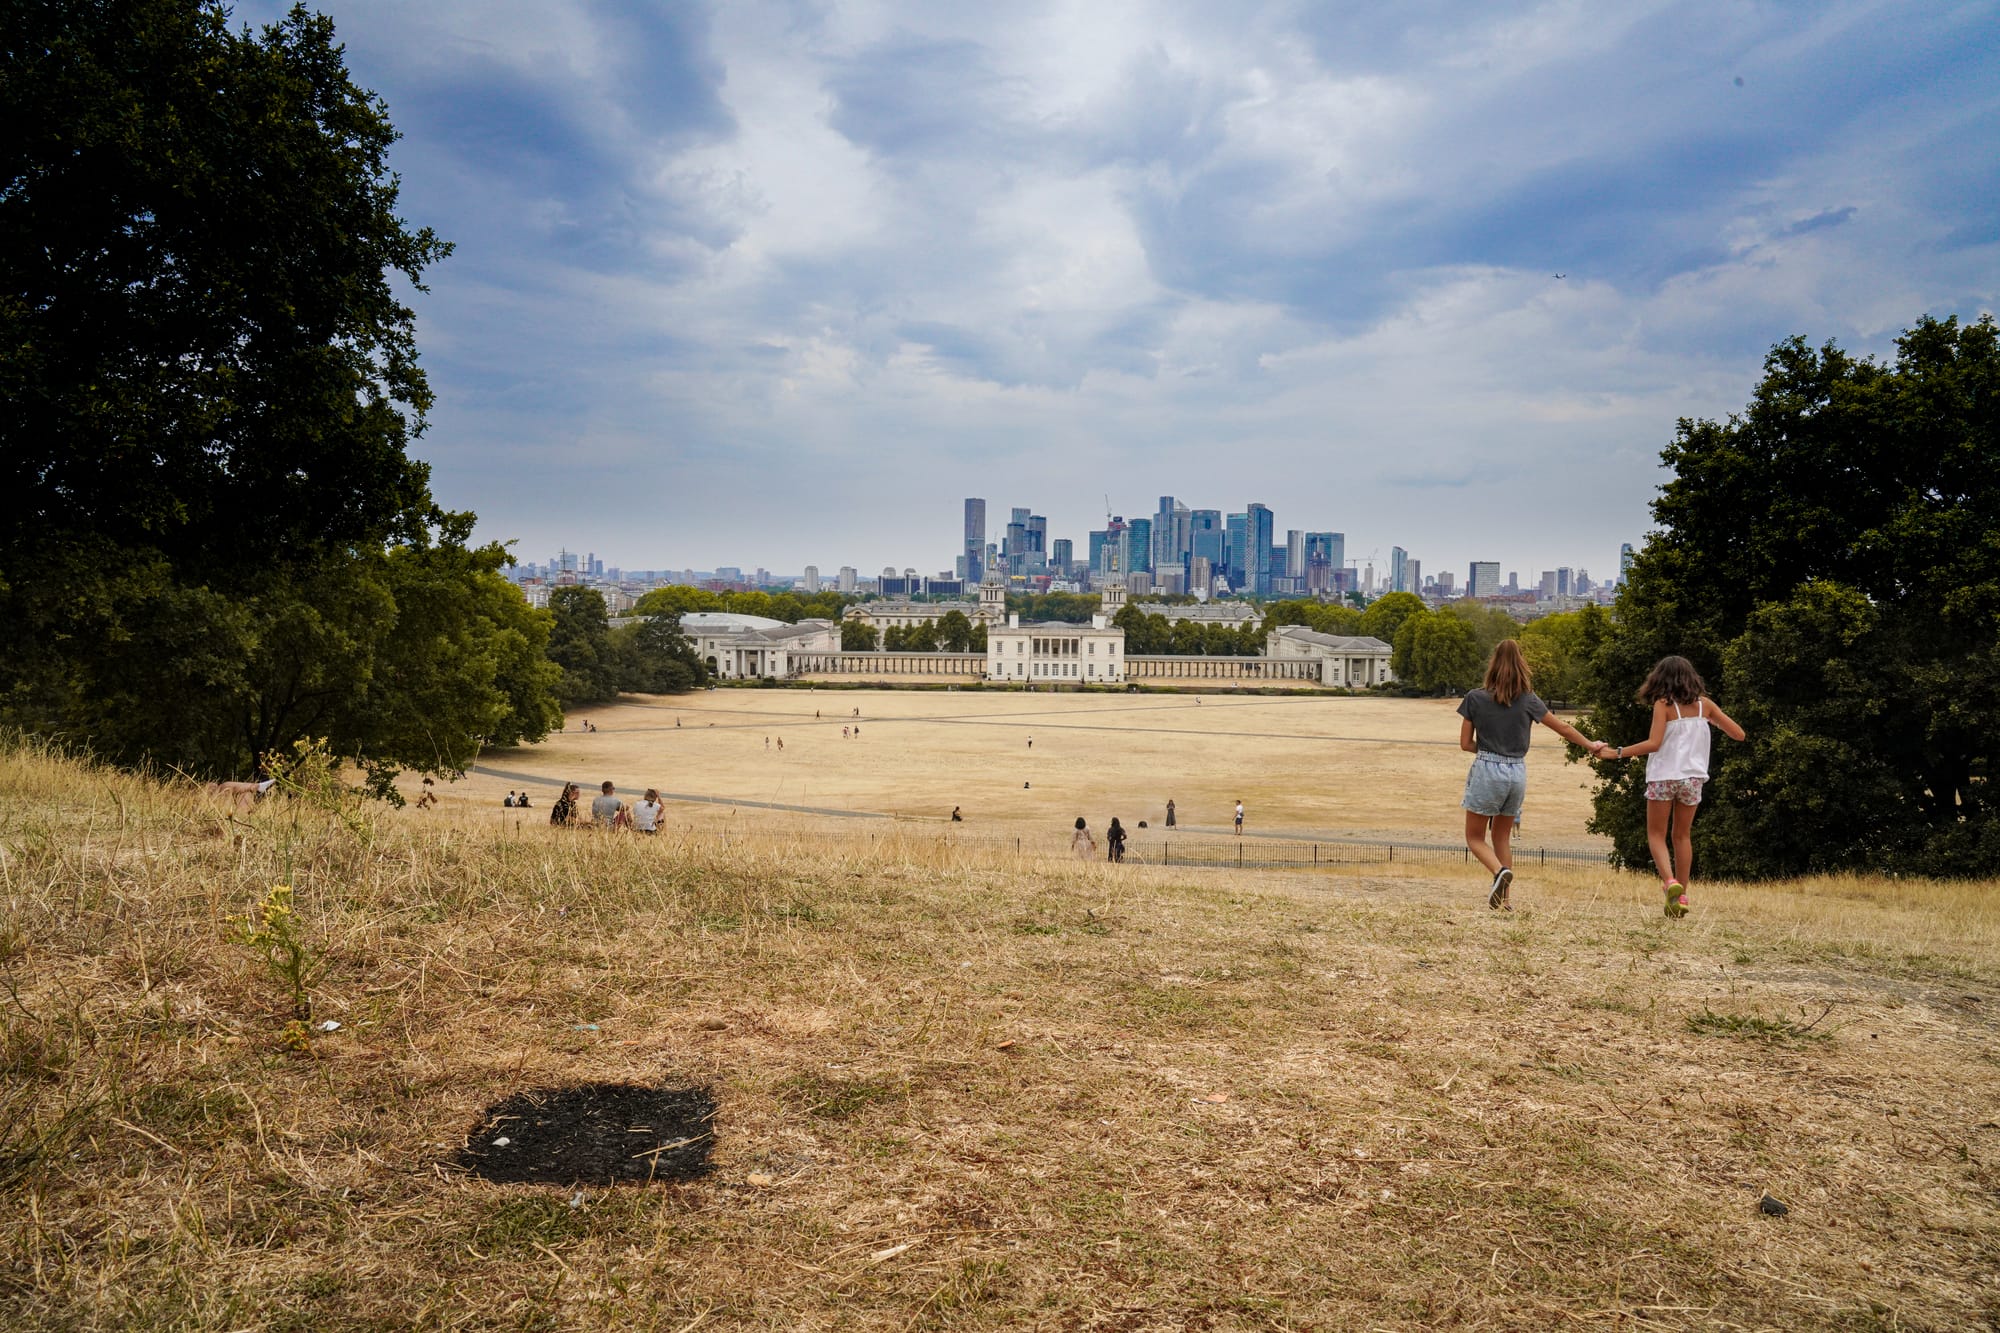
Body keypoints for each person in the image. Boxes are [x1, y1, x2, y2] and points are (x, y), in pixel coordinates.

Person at [1457, 639, 1609, 911]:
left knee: (1475, 837)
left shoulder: (1475, 697)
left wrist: (1491, 748)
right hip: (1517, 771)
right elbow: (1562, 728)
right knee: (1501, 837)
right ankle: (1505, 902)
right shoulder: (1529, 700)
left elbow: (1466, 744)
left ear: (1492, 664)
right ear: (1521, 666)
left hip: (1487, 767)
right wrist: (1590, 745)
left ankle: (1498, 872)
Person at [1599, 655, 1746, 918]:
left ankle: (1670, 883)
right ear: (1692, 678)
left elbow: (1653, 744)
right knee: (1682, 836)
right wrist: (1709, 721)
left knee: (1656, 835)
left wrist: (1617, 752)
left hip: (1664, 776)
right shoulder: (1706, 706)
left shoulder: (1663, 705)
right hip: (1693, 779)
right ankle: (1682, 897)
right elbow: (1739, 734)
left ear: (1660, 679)